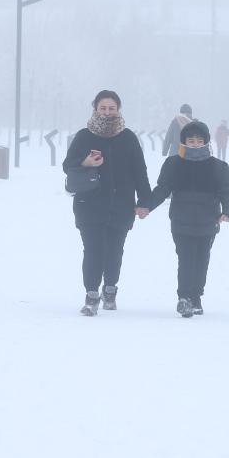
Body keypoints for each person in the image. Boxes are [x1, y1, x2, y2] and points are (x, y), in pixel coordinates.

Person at [63, 90, 153, 316]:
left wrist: (144, 201)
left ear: (118, 109)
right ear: (95, 109)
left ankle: (110, 290)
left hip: (121, 205)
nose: (107, 112)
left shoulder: (129, 137)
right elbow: (68, 165)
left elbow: (140, 171)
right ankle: (91, 294)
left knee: (114, 250)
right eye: (103, 108)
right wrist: (84, 161)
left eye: (111, 108)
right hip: (89, 204)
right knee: (92, 249)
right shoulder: (84, 136)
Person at [143, 120, 229, 318]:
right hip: (181, 220)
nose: (195, 143)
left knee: (202, 259)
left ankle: (196, 297)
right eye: (191, 140)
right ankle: (184, 298)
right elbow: (162, 189)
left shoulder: (218, 167)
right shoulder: (174, 164)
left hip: (208, 221)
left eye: (199, 140)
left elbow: (227, 191)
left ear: (205, 142)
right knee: (185, 258)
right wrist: (147, 206)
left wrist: (228, 211)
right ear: (184, 142)